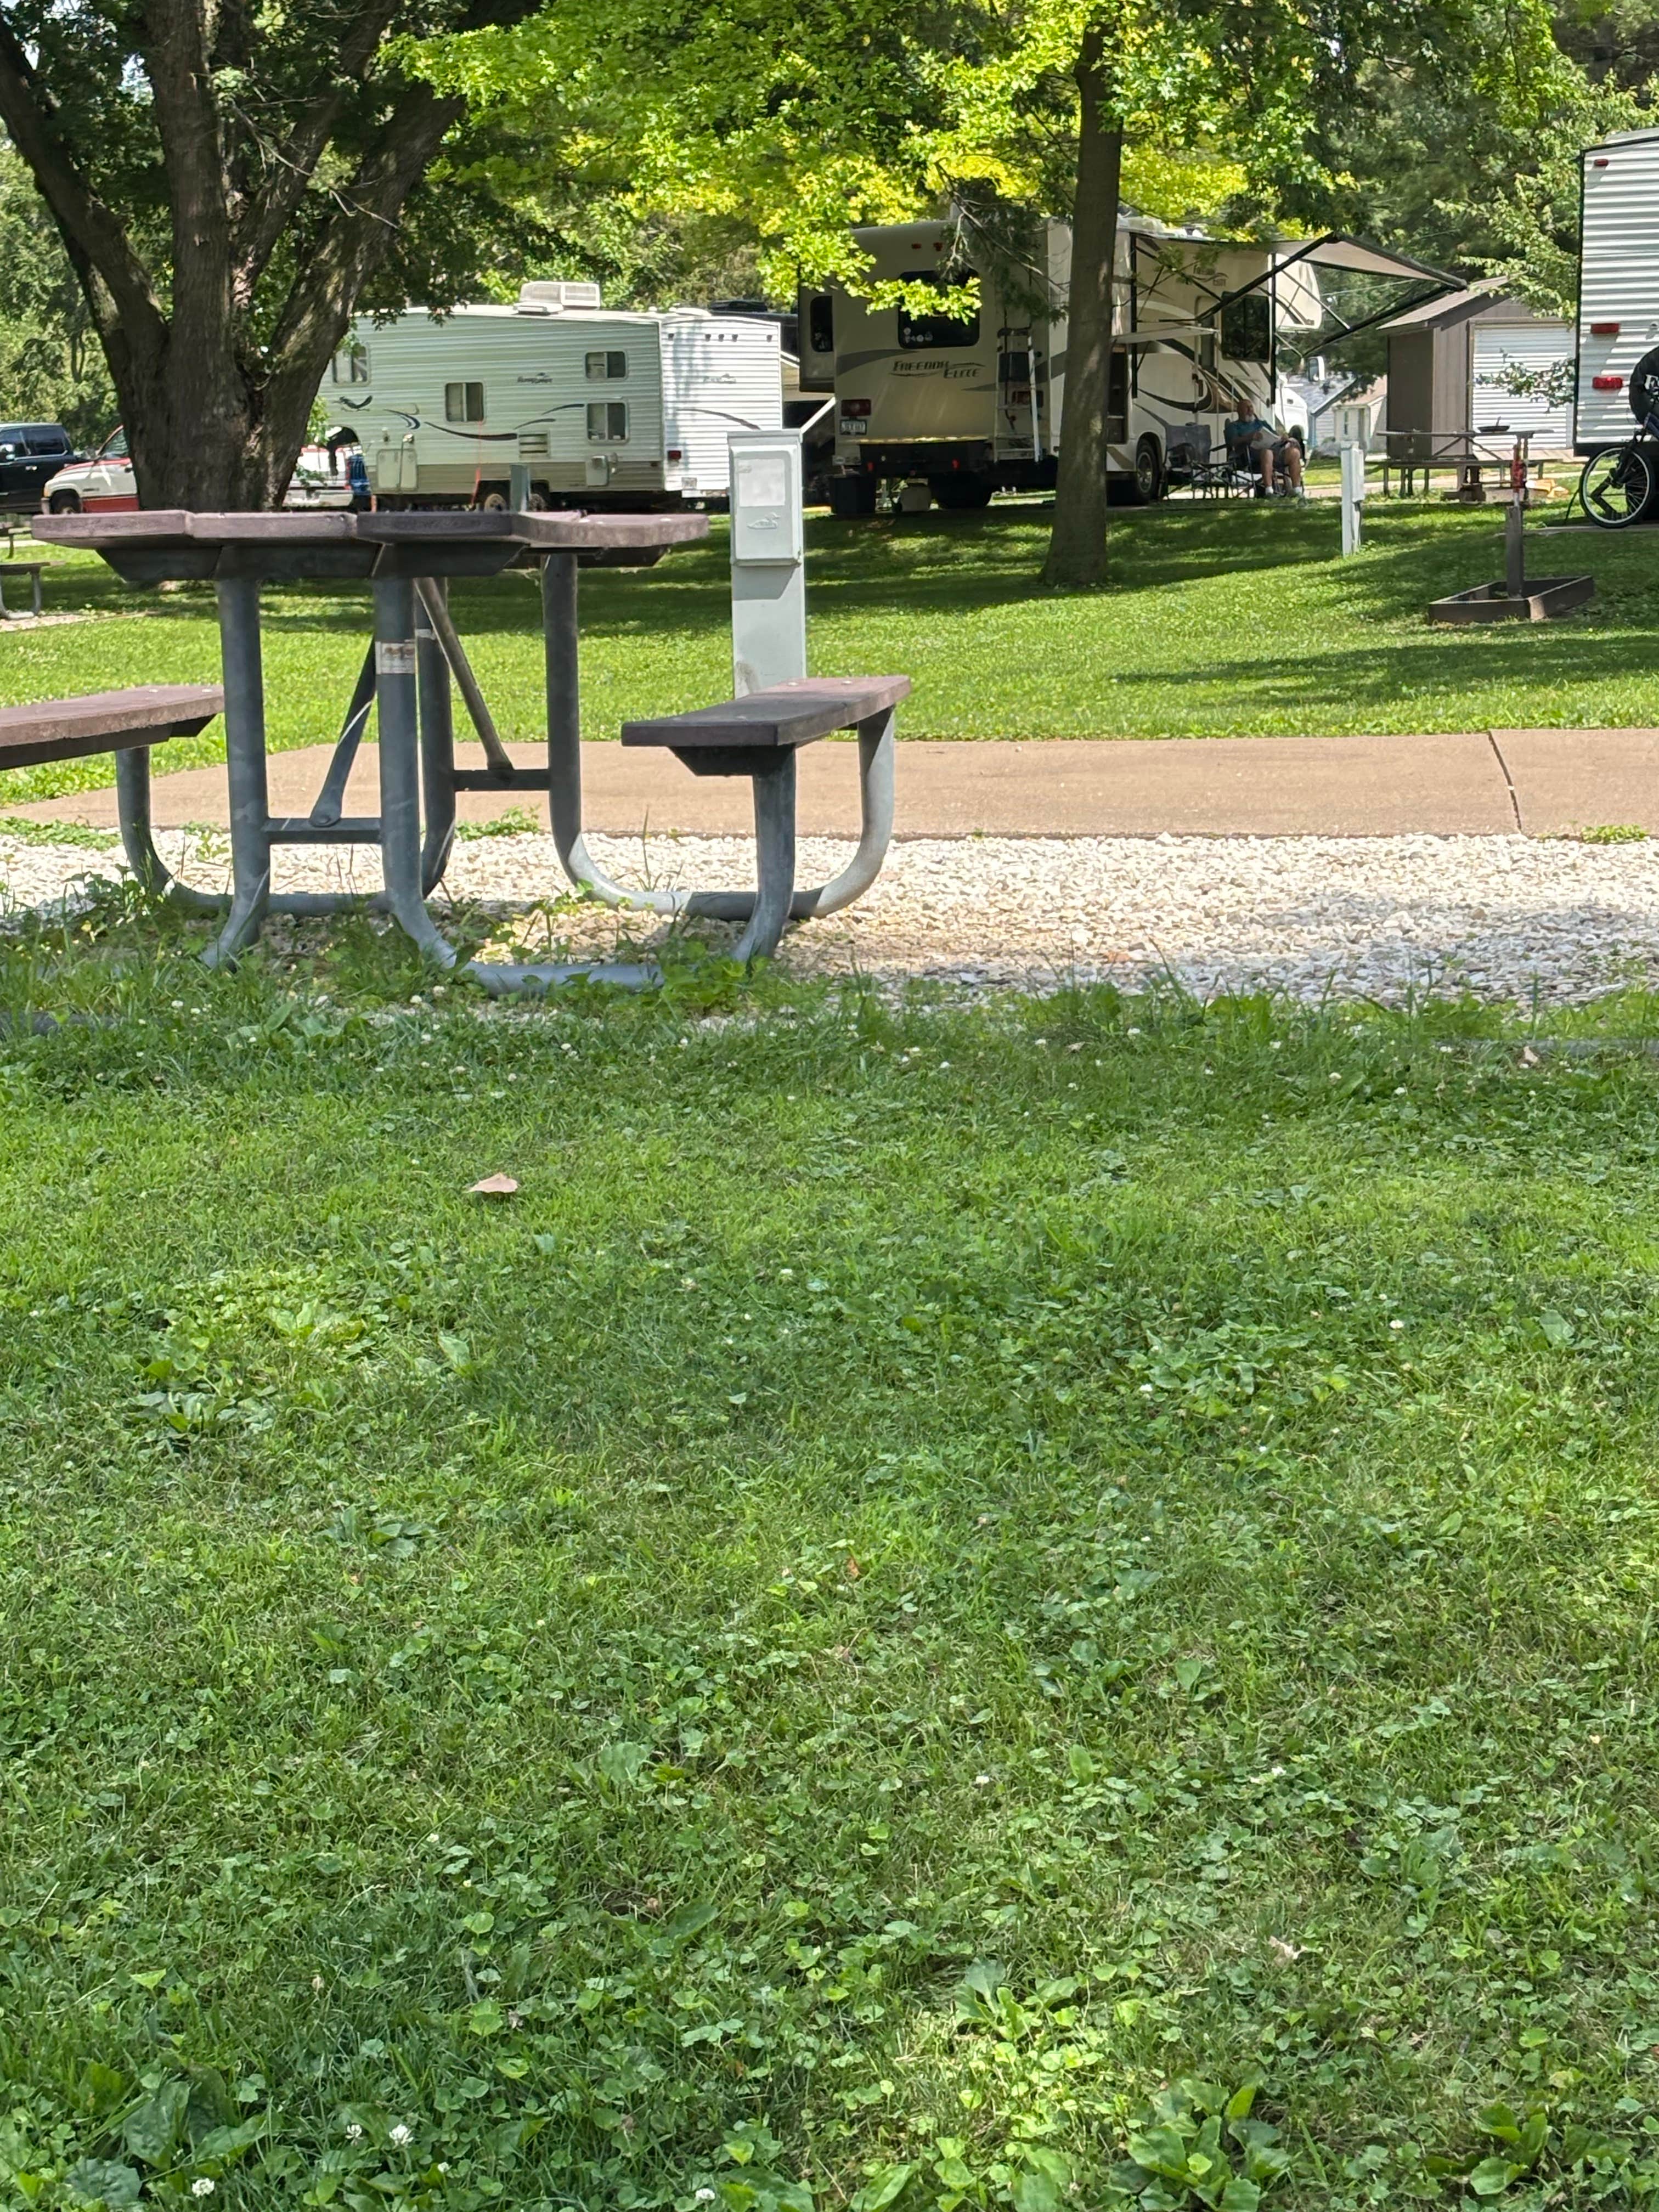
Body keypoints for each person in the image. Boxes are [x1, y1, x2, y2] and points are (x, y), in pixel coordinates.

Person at [1225, 411, 1304, 496]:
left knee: (1294, 453)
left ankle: (1297, 490)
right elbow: (1232, 442)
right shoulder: (1234, 426)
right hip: (1249, 457)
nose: (1250, 410)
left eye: (1251, 407)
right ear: (1239, 410)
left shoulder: (1262, 423)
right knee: (1267, 452)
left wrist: (1281, 438)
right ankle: (1269, 491)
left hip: (1274, 452)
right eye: (1247, 408)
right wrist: (1249, 437)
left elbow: (1274, 436)